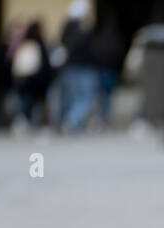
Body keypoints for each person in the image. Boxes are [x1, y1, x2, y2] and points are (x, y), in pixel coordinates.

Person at [58, 0, 100, 132]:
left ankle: (75, 123)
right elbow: (88, 48)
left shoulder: (66, 29)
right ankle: (72, 120)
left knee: (75, 97)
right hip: (84, 67)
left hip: (71, 68)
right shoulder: (82, 28)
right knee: (85, 97)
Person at [9, 20, 52, 129]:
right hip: (34, 79)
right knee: (30, 102)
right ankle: (29, 120)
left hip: (22, 78)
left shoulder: (23, 43)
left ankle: (24, 120)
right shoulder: (37, 43)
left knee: (25, 101)